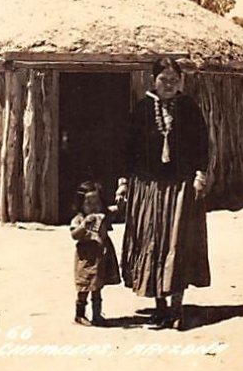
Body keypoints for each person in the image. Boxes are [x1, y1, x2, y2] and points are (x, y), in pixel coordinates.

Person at [120, 58, 211, 330]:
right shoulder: (141, 109)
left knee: (177, 244)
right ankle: (159, 307)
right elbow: (128, 147)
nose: (169, 85)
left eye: (174, 80)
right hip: (148, 189)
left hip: (180, 187)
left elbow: (202, 144)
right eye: (164, 79)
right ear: (153, 80)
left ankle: (177, 308)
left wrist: (199, 174)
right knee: (152, 243)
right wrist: (124, 182)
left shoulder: (189, 109)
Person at [69, 181, 121, 326]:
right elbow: (74, 234)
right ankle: (79, 315)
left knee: (97, 286)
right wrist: (84, 225)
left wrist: (121, 199)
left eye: (96, 202)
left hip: (100, 256)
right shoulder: (79, 219)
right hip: (85, 257)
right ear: (81, 204)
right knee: (84, 285)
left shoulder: (103, 215)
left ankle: (97, 315)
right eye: (88, 203)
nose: (93, 207)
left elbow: (117, 210)